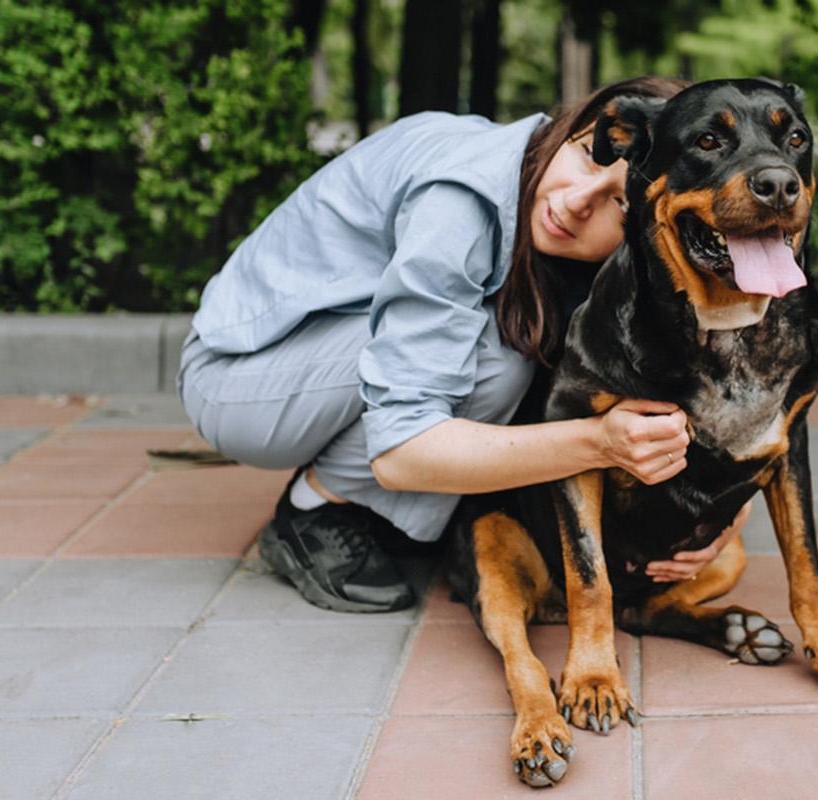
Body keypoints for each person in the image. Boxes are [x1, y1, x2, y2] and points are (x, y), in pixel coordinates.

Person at [177, 77, 750, 614]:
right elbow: (403, 449)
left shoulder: (556, 219)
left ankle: (388, 505)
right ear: (574, 126)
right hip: (240, 380)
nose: (578, 200)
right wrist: (602, 443)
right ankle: (314, 509)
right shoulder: (463, 198)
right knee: (493, 362)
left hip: (322, 357)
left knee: (503, 357)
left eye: (619, 203)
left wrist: (725, 510)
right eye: (587, 157)